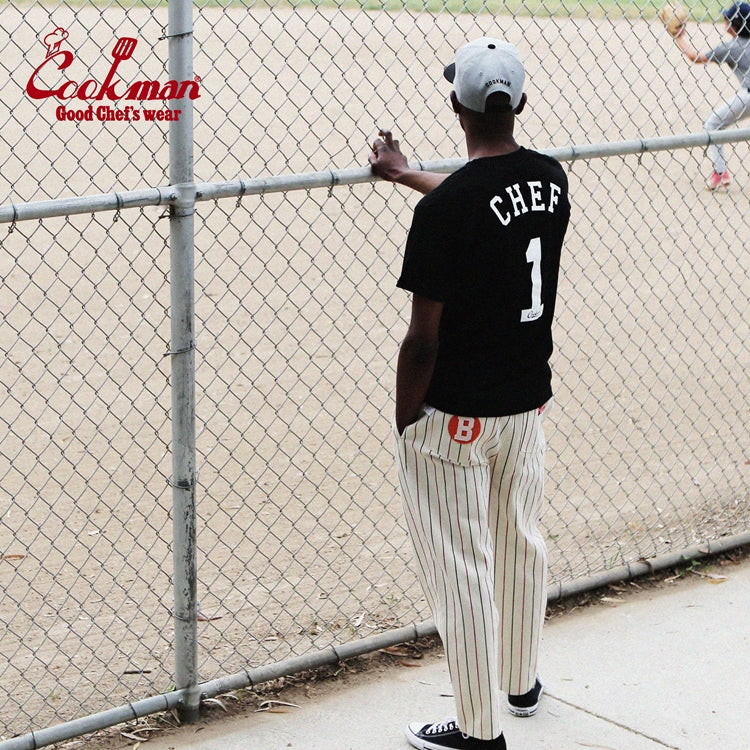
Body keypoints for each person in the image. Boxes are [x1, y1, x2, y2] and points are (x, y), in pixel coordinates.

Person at [369, 38, 570, 750]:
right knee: (519, 541)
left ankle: (478, 732)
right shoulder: (551, 180)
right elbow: (490, 205)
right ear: (519, 102)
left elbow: (423, 337)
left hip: (453, 413)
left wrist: (405, 418)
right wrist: (409, 176)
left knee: (461, 571)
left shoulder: (444, 212)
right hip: (526, 402)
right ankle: (520, 685)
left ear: (455, 105)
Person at [671, 2, 750, 189]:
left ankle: (720, 173)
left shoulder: (732, 48)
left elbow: (695, 57)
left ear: (734, 24)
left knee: (713, 124)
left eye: (728, 18)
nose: (724, 20)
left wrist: (679, 37)